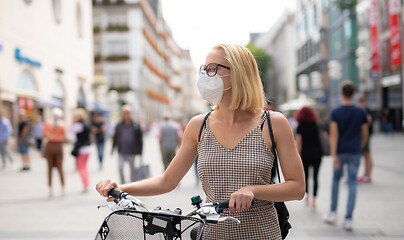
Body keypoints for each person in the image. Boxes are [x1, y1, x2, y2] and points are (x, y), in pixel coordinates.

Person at [97, 43, 305, 239]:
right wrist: (122, 188)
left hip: (261, 233)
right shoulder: (199, 125)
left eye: (212, 69)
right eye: (203, 69)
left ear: (238, 73)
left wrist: (253, 190)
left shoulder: (272, 123)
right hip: (211, 234)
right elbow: (167, 180)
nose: (204, 76)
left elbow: (297, 187)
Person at [323, 81, 368, 231]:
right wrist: (359, 147)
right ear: (354, 94)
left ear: (341, 93)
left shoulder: (335, 112)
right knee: (352, 183)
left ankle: (333, 212)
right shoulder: (361, 112)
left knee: (336, 180)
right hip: (355, 151)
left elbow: (334, 135)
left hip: (340, 151)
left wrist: (333, 154)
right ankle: (348, 218)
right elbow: (365, 134)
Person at [295, 106, 323, 208]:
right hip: (317, 154)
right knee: (316, 177)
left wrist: (297, 156)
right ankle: (314, 199)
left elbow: (299, 144)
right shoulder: (316, 125)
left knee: (306, 176)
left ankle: (307, 196)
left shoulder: (300, 127)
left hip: (305, 155)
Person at [111, 105, 143, 184]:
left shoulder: (136, 125)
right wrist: (112, 149)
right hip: (121, 151)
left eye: (128, 113)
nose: (126, 115)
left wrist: (140, 152)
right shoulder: (119, 125)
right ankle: (123, 185)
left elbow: (140, 139)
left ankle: (132, 185)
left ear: (131, 113)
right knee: (120, 168)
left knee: (132, 170)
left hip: (132, 152)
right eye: (124, 113)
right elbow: (115, 137)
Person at [42, 108, 66, 197]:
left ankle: (50, 189)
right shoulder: (62, 124)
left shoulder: (48, 123)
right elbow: (65, 136)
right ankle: (63, 188)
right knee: (60, 168)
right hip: (59, 145)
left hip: (50, 145)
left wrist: (51, 135)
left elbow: (43, 135)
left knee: (49, 168)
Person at [70, 108, 91, 193]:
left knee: (81, 167)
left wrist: (73, 122)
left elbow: (69, 130)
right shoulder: (86, 124)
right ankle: (86, 184)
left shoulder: (78, 125)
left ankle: (85, 185)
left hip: (82, 149)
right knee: (84, 167)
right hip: (87, 148)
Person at [356, 94, 373, 184]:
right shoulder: (364, 109)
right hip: (365, 135)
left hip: (366, 135)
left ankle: (367, 175)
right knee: (366, 155)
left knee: (367, 155)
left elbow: (368, 121)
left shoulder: (364, 110)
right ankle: (366, 174)